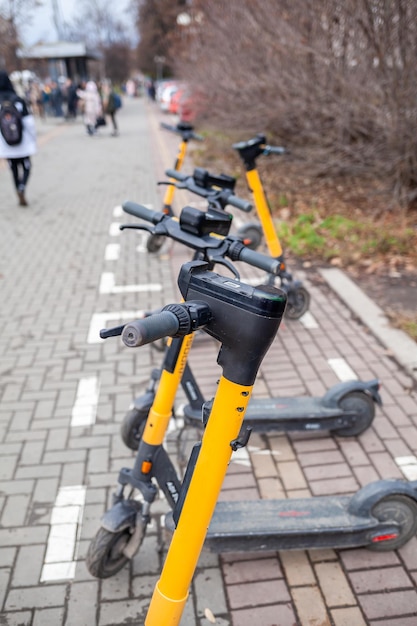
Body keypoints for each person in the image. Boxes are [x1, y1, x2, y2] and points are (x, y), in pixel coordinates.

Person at [0, 70, 37, 207]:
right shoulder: (17, 100)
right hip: (23, 142)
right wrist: (33, 140)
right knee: (27, 166)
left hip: (6, 144)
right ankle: (22, 187)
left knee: (14, 169)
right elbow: (29, 123)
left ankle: (18, 190)